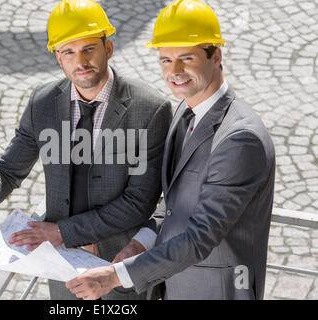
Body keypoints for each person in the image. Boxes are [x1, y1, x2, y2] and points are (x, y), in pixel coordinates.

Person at [0, 0, 172, 300]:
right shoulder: (43, 103)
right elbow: (9, 169)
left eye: (88, 49)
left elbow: (139, 202)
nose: (80, 61)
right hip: (61, 269)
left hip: (118, 267)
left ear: (108, 47)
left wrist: (61, 233)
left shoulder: (150, 109)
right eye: (68, 51)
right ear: (58, 57)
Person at [66, 0, 275, 300]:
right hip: (172, 287)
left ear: (215, 56)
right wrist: (141, 242)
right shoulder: (184, 112)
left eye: (186, 58)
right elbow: (175, 203)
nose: (174, 71)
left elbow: (200, 237)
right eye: (165, 60)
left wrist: (115, 276)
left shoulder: (240, 139)